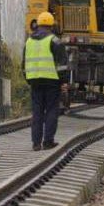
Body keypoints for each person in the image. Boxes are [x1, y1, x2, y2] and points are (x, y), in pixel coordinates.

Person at [23, 11, 69, 151]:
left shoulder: (29, 41)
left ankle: (36, 143)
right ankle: (48, 141)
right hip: (51, 82)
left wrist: (29, 80)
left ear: (38, 24)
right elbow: (62, 65)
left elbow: (23, 64)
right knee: (51, 110)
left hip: (35, 81)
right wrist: (64, 82)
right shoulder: (55, 41)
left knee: (37, 112)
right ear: (51, 25)